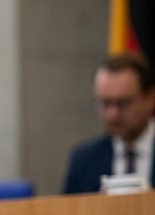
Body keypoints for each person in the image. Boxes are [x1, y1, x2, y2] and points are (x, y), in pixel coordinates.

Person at [63, 52, 155, 193]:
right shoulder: (84, 159)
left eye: (123, 103)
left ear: (150, 98)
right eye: (105, 104)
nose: (113, 115)